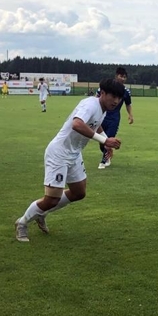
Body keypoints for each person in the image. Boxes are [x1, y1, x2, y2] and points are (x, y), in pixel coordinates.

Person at [15, 78, 125, 242]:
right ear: (102, 93)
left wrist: (106, 140)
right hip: (59, 153)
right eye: (112, 96)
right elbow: (77, 124)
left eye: (119, 97)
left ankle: (41, 213)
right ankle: (22, 222)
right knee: (52, 198)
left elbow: (97, 125)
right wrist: (104, 141)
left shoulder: (102, 109)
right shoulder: (90, 105)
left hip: (74, 154)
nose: (116, 101)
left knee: (78, 192)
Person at [97, 67, 134, 169]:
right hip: (102, 117)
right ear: (116, 76)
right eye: (121, 76)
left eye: (125, 77)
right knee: (102, 141)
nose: (123, 79)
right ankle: (108, 152)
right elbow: (97, 99)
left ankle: (103, 161)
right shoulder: (107, 87)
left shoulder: (126, 91)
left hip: (114, 118)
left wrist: (130, 115)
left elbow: (128, 104)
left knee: (108, 138)